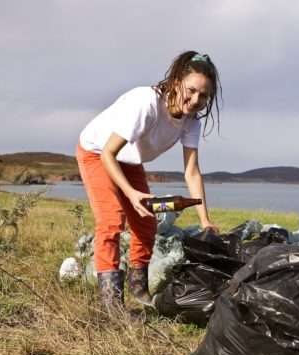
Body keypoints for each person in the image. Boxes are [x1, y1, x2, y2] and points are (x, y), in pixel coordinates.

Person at [76, 50, 222, 310]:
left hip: (129, 160)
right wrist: (131, 194)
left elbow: (192, 172)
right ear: (176, 82)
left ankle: (139, 288)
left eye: (203, 95)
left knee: (145, 223)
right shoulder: (147, 104)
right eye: (191, 90)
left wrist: (204, 220)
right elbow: (109, 153)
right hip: (98, 152)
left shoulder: (191, 122)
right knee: (111, 220)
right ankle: (112, 306)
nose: (195, 100)